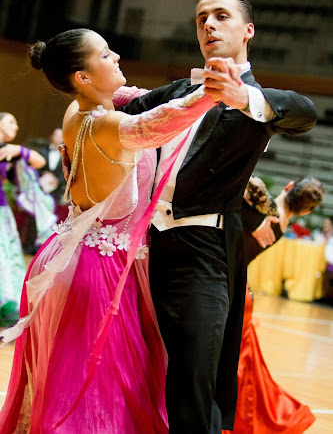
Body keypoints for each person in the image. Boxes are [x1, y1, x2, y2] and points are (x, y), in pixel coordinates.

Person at [0, 28, 228, 433]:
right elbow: (160, 123)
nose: (117, 56)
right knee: (99, 399)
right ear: (82, 77)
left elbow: (143, 96)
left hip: (74, 254)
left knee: (92, 392)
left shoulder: (80, 108)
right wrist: (217, 90)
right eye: (106, 55)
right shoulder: (108, 123)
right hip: (100, 272)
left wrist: (198, 83)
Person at [114, 0, 317, 433]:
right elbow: (120, 108)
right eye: (201, 17)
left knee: (193, 386)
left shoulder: (257, 102)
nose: (208, 23)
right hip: (144, 252)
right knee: (139, 375)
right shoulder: (178, 90)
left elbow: (304, 111)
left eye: (221, 15)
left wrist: (242, 97)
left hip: (203, 256)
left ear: (248, 31)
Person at [222, 175, 323, 434]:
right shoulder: (281, 225)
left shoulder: (260, 208)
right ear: (307, 210)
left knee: (236, 364)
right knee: (241, 365)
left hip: (224, 286)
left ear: (289, 185)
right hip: (241, 293)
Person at [0, 113, 47, 327]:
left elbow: (39, 161)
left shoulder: (8, 152)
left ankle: (6, 306)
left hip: (2, 213)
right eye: (11, 121)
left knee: (6, 258)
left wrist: (20, 150)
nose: (16, 126)